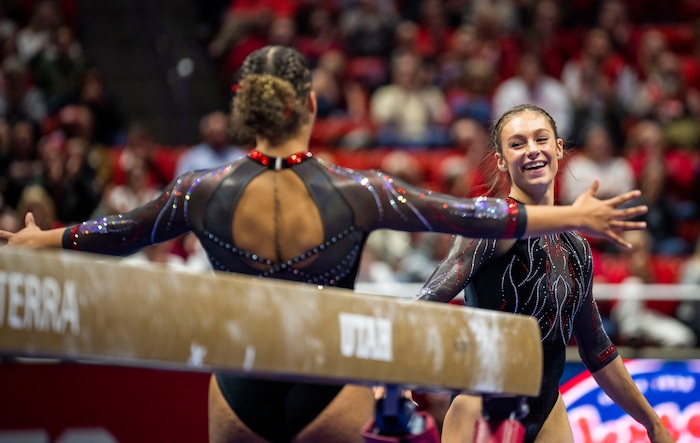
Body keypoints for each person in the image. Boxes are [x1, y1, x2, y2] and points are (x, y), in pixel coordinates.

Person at [0, 47, 648, 443]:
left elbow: (119, 234)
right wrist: (574, 212)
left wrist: (46, 239)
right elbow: (474, 216)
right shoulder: (354, 189)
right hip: (329, 390)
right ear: (312, 105)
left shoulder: (199, 191)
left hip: (237, 391)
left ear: (244, 115)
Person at [414, 104, 674, 443]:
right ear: (501, 161)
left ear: (559, 147)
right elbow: (428, 299)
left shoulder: (576, 247)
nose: (532, 150)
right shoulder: (490, 224)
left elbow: (597, 349)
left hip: (548, 410)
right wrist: (392, 375)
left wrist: (652, 423)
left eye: (541, 139)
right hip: (483, 409)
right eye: (517, 144)